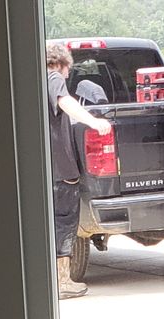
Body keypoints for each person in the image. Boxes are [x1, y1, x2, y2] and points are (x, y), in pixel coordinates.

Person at [46, 42, 112, 298]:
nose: (66, 75)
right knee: (63, 224)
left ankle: (50, 280)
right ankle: (62, 282)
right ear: (61, 64)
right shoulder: (52, 77)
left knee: (49, 225)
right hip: (60, 171)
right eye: (67, 71)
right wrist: (94, 121)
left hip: (43, 170)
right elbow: (65, 101)